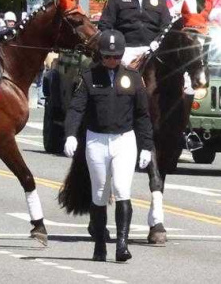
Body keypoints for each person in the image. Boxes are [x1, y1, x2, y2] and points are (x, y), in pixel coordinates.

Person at [63, 30, 154, 263]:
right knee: (100, 194)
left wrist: (146, 146)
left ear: (121, 55)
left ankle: (121, 244)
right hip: (97, 140)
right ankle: (100, 244)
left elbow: (143, 115)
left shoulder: (133, 78)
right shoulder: (89, 77)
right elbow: (76, 109)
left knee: (123, 190)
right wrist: (71, 135)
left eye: (115, 57)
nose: (111, 61)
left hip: (124, 140)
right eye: (106, 57)